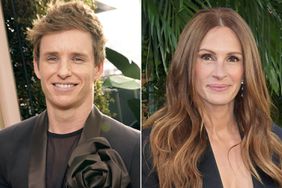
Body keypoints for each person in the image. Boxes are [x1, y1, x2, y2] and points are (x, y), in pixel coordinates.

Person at [0, 1, 140, 188]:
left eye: (77, 59)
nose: (63, 71)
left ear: (98, 68)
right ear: (36, 66)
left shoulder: (135, 148)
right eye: (52, 58)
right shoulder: (5, 146)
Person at [142, 7, 282, 188]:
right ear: (187, 65)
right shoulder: (154, 148)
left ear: (246, 70)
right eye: (207, 57)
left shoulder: (274, 141)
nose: (220, 73)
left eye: (232, 59)